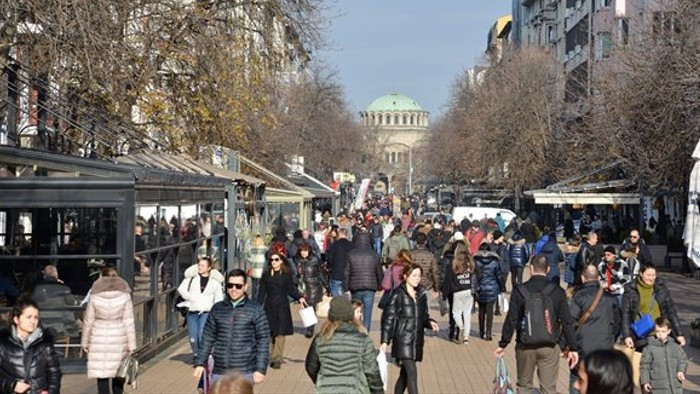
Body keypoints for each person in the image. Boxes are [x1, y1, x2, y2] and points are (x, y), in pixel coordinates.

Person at [495, 255, 579, 394]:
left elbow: (511, 319)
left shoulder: (519, 290)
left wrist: (503, 343)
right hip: (550, 346)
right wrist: (573, 347)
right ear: (548, 269)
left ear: (531, 268)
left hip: (525, 346)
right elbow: (567, 321)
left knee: (524, 385)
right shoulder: (557, 291)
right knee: (548, 388)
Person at [194, 269, 270, 385]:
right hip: (220, 371)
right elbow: (208, 338)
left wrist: (260, 369)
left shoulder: (255, 310)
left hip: (244, 371)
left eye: (238, 286)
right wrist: (200, 363)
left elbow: (263, 340)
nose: (233, 289)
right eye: (230, 285)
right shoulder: (217, 309)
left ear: (245, 287)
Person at [380, 263, 440, 394]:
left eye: (419, 275)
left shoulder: (421, 294)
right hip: (403, 339)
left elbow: (423, 316)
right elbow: (388, 318)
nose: (417, 278)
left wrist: (430, 322)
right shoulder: (398, 294)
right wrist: (385, 341)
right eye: (414, 275)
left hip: (416, 340)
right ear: (406, 276)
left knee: (404, 375)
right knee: (412, 373)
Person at [305, 296, 383, 394]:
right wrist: (378, 391)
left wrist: (322, 381)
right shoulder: (363, 340)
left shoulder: (320, 339)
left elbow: (311, 367)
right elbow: (372, 372)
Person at [81, 267, 136, 394]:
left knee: (102, 374)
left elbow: (88, 321)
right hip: (119, 337)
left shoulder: (94, 295)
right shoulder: (124, 295)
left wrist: (84, 342)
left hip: (99, 336)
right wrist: (132, 345)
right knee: (118, 373)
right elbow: (129, 322)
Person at [569, 265, 621, 394]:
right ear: (598, 278)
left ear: (582, 278)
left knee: (577, 379)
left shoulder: (578, 297)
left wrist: (568, 346)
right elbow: (617, 324)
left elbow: (570, 322)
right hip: (604, 349)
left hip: (582, 348)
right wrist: (610, 339)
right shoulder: (611, 298)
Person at [0, 297, 61, 394]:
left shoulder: (45, 343)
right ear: (16, 319)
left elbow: (54, 372)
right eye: (29, 317)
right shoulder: (3, 343)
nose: (33, 321)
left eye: (36, 317)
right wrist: (12, 385)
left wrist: (51, 391)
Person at [257, 252, 306, 369]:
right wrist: (256, 307)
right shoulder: (266, 275)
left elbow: (290, 289)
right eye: (272, 260)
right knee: (268, 333)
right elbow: (261, 293)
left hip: (282, 307)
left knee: (280, 333)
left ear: (281, 261)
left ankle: (277, 358)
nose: (273, 262)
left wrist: (300, 297)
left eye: (276, 259)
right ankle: (267, 356)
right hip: (269, 306)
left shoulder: (286, 275)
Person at [622, 262, 685, 351]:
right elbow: (625, 314)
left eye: (653, 275)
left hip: (660, 334)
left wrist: (679, 333)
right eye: (648, 275)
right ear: (641, 273)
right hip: (641, 335)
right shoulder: (631, 289)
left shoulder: (661, 288)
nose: (651, 278)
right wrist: (627, 335)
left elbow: (671, 311)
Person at [178, 257, 224, 367]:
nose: (200, 267)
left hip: (207, 312)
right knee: (193, 337)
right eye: (199, 265)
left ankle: (203, 357)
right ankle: (196, 354)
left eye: (203, 265)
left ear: (209, 268)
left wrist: (216, 311)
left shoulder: (215, 282)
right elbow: (181, 289)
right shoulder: (191, 279)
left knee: (202, 334)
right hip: (192, 311)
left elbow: (219, 298)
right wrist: (190, 297)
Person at [344, 233, 383, 331]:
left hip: (355, 287)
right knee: (368, 313)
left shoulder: (351, 254)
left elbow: (346, 272)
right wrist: (380, 286)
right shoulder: (374, 254)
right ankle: (366, 333)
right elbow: (379, 272)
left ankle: (356, 330)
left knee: (356, 310)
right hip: (370, 287)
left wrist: (346, 287)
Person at [640, 317, 688, 394]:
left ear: (669, 331)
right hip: (657, 387)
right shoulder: (649, 348)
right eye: (658, 331)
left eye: (663, 331)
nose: (660, 334)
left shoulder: (675, 346)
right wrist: (645, 381)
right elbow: (645, 366)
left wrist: (680, 371)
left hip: (675, 386)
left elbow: (682, 360)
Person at [442, 243, 475, 344]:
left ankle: (460, 327)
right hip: (469, 290)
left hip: (457, 291)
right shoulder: (471, 263)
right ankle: (466, 337)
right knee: (467, 313)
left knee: (456, 312)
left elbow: (448, 280)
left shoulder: (454, 263)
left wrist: (444, 293)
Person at [296, 242, 329, 338]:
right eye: (302, 251)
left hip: (313, 287)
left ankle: (310, 330)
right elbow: (296, 274)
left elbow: (321, 273)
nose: (303, 253)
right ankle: (309, 327)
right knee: (306, 309)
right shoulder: (298, 260)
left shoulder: (315, 260)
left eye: (305, 251)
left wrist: (326, 285)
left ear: (309, 251)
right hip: (302, 288)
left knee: (310, 308)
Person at [475, 242, 501, 341]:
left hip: (480, 288)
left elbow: (475, 275)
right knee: (490, 312)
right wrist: (501, 286)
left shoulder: (476, 260)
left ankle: (481, 331)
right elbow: (499, 274)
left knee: (481, 311)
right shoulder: (495, 261)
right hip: (492, 287)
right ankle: (488, 333)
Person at [412, 233, 441, 304]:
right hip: (427, 285)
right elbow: (435, 273)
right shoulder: (430, 255)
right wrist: (437, 288)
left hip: (412, 284)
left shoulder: (410, 254)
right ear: (425, 242)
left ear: (415, 242)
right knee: (424, 309)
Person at [326, 228, 353, 296]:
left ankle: (336, 305)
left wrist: (332, 266)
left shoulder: (335, 244)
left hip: (336, 272)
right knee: (346, 293)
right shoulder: (351, 245)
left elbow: (330, 257)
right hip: (348, 273)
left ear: (340, 234)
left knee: (335, 292)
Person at [246, 233, 268, 302]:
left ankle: (253, 301)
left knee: (254, 288)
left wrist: (252, 262)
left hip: (254, 271)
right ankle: (258, 302)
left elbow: (248, 257)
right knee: (260, 287)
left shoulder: (251, 249)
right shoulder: (265, 249)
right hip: (261, 271)